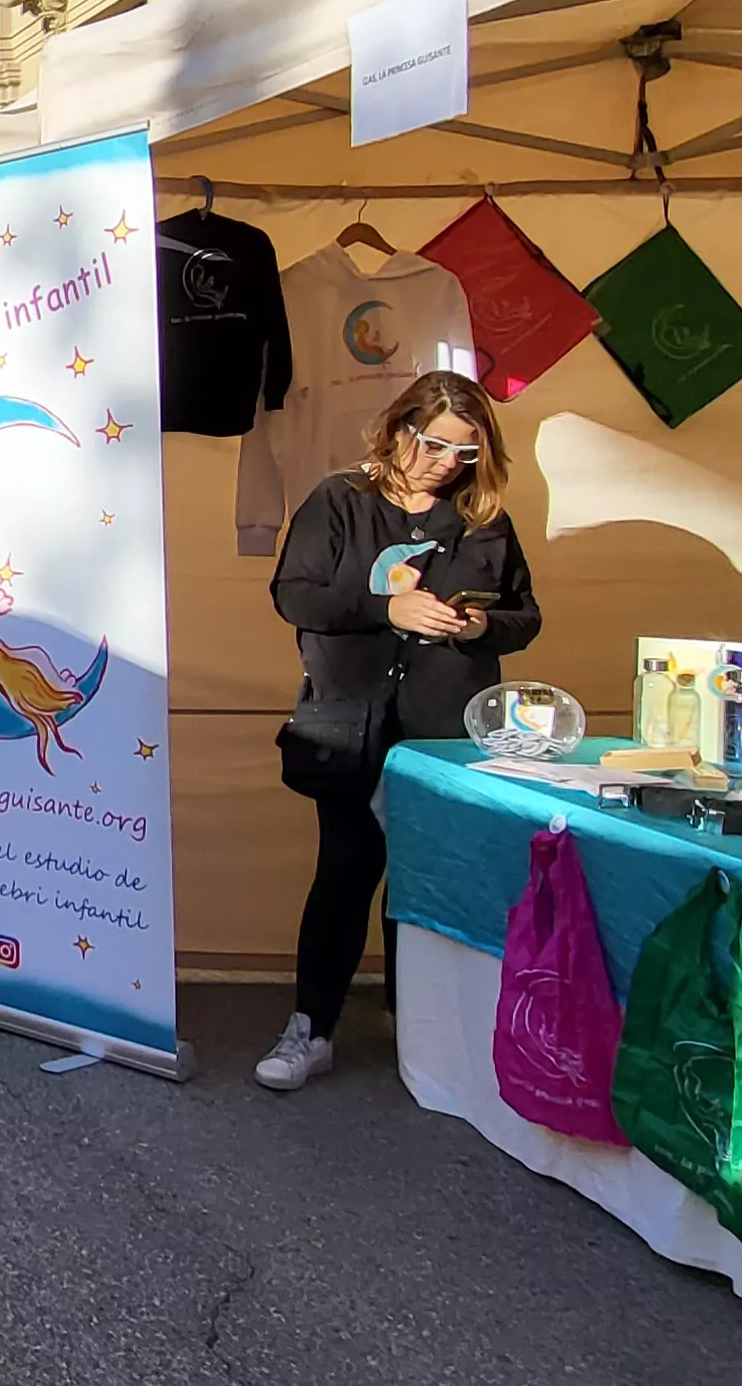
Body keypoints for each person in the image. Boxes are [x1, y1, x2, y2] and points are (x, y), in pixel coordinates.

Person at [256, 370, 539, 1093]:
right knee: (346, 873)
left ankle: (420, 1037)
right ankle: (311, 1028)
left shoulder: (484, 520)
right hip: (352, 724)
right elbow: (295, 594)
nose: (450, 464)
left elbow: (524, 614)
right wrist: (390, 610)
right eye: (439, 445)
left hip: (446, 731)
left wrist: (479, 624)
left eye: (467, 454)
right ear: (400, 431)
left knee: (426, 881)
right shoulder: (340, 502)